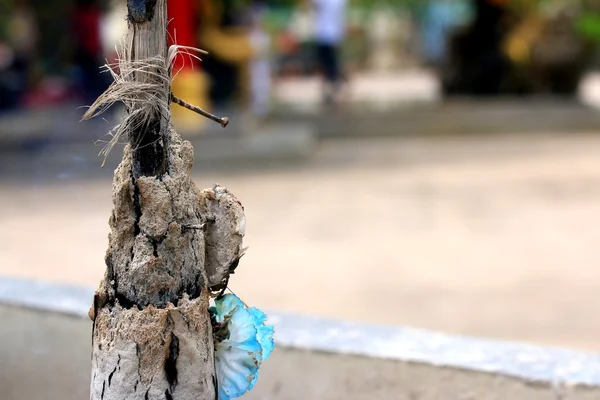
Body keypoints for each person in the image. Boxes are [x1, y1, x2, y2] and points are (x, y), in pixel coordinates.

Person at [309, 0, 347, 106]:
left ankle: (334, 85)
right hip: (332, 34)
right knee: (331, 62)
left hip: (325, 34)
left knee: (328, 63)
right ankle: (333, 85)